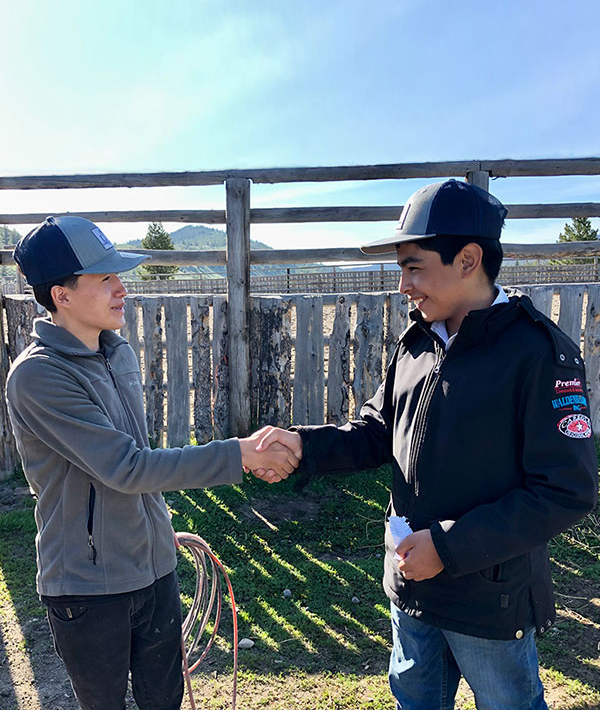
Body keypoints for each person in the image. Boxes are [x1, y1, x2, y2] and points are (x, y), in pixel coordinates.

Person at [255, 179, 598, 710]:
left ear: (467, 259)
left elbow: (564, 491)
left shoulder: (538, 353)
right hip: (412, 589)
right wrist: (303, 445)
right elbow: (376, 432)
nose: (402, 286)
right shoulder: (415, 342)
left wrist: (450, 547)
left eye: (414, 267)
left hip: (489, 600)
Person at [5, 215, 298, 710]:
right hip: (88, 586)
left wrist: (157, 537)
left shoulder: (118, 353)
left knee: (165, 699)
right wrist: (240, 454)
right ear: (62, 295)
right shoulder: (37, 378)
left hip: (157, 568)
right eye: (105, 278)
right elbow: (128, 468)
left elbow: (140, 459)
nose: (122, 288)